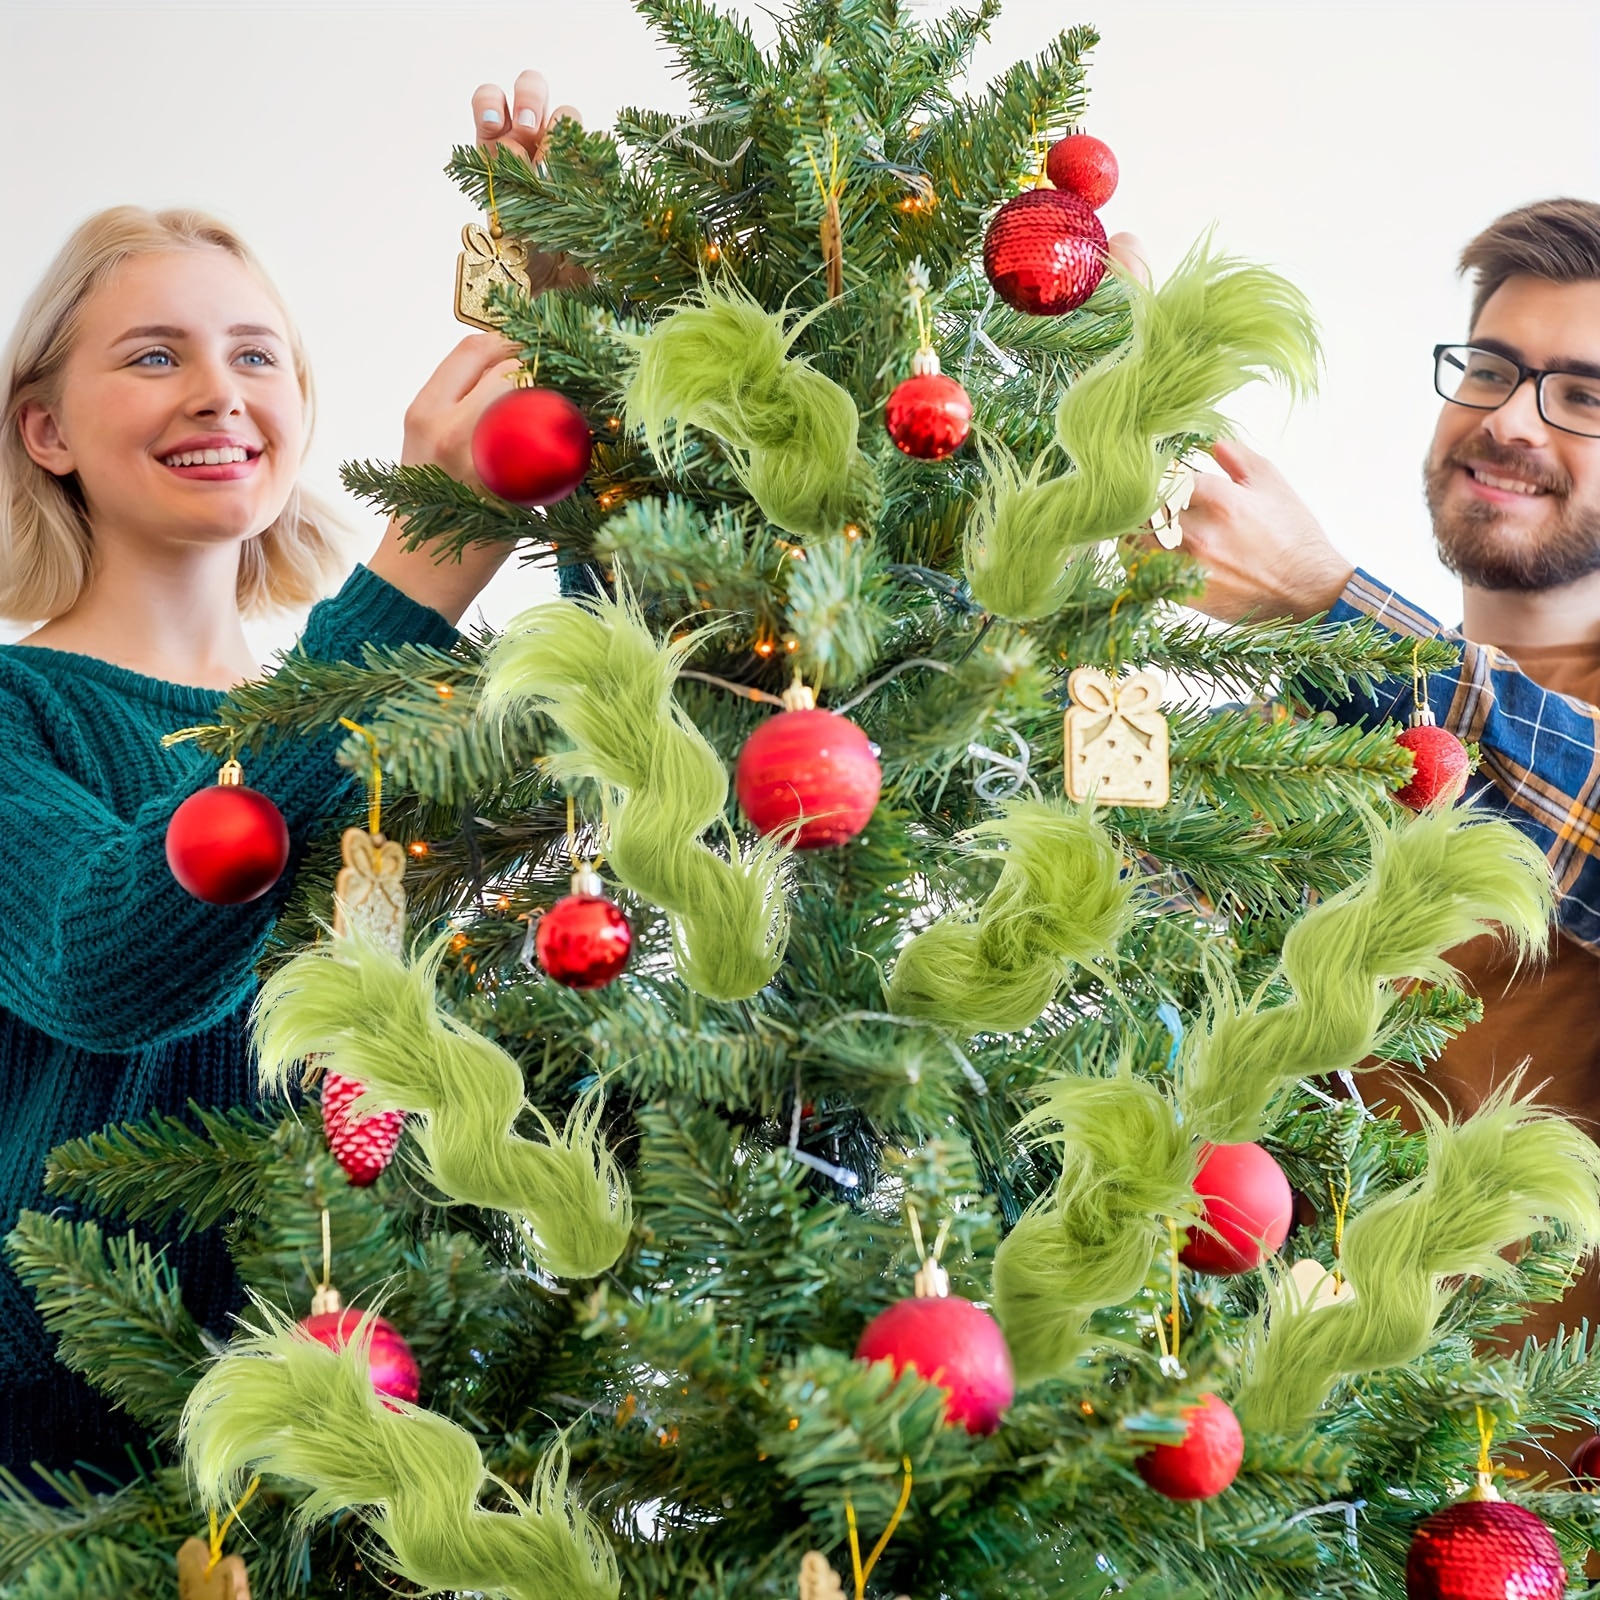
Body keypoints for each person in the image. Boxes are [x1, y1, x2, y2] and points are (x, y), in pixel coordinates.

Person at [0, 71, 571, 1481]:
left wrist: (584, 349)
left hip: (376, 1426)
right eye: (154, 357)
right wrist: (409, 591)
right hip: (77, 1464)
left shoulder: (380, 714)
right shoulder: (17, 710)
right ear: (46, 431)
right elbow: (106, 959)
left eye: (259, 356)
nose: (220, 394)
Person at [1166, 199, 1600, 1333]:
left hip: (1542, 1490)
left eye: (1582, 396)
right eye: (1491, 369)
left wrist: (1324, 603)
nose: (1510, 421)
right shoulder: (1327, 721)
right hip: (1297, 1469)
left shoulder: (1358, 664)